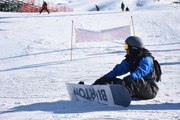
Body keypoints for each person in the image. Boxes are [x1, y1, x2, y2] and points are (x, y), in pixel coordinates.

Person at [92, 36, 159, 100]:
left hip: (150, 90)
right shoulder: (130, 59)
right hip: (136, 89)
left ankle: (119, 96)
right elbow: (118, 70)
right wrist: (104, 78)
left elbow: (142, 71)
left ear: (133, 48)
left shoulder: (146, 59)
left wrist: (131, 77)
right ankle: (99, 90)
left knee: (135, 80)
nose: (125, 49)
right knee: (113, 80)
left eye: (126, 46)